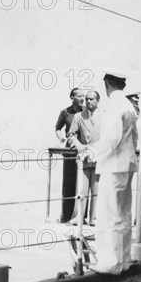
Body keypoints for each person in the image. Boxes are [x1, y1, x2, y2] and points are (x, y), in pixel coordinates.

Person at [79, 72, 138, 275]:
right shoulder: (129, 106)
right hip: (127, 165)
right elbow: (134, 138)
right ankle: (124, 260)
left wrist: (90, 152)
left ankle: (110, 264)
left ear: (107, 85)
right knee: (123, 213)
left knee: (108, 215)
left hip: (113, 167)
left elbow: (111, 139)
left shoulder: (113, 106)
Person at [68, 90, 102, 226]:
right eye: (87, 99)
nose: (88, 102)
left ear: (97, 100)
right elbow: (71, 135)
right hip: (83, 156)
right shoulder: (78, 116)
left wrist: (94, 151)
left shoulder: (105, 116)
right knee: (82, 187)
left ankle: (94, 218)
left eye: (92, 99)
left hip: (98, 156)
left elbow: (108, 137)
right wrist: (80, 147)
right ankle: (79, 217)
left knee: (97, 188)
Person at [55, 88, 84, 223]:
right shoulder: (65, 112)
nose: (82, 98)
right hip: (70, 149)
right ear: (72, 97)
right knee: (69, 181)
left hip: (83, 148)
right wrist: (61, 138)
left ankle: (82, 217)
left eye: (83, 96)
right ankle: (66, 215)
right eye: (79, 96)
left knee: (84, 182)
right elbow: (57, 128)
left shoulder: (86, 111)